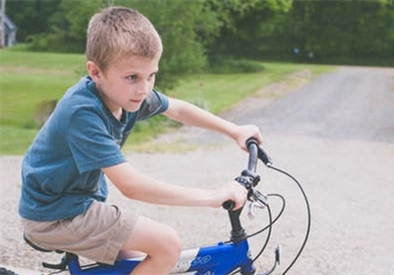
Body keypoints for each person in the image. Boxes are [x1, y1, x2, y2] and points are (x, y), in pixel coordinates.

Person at [18, 6, 263, 275]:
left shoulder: (125, 95)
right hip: (55, 215)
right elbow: (132, 186)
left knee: (136, 261)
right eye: (132, 77)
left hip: (76, 205)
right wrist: (212, 196)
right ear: (96, 72)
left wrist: (234, 130)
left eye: (151, 75)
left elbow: (178, 109)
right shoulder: (83, 113)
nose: (144, 88)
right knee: (167, 245)